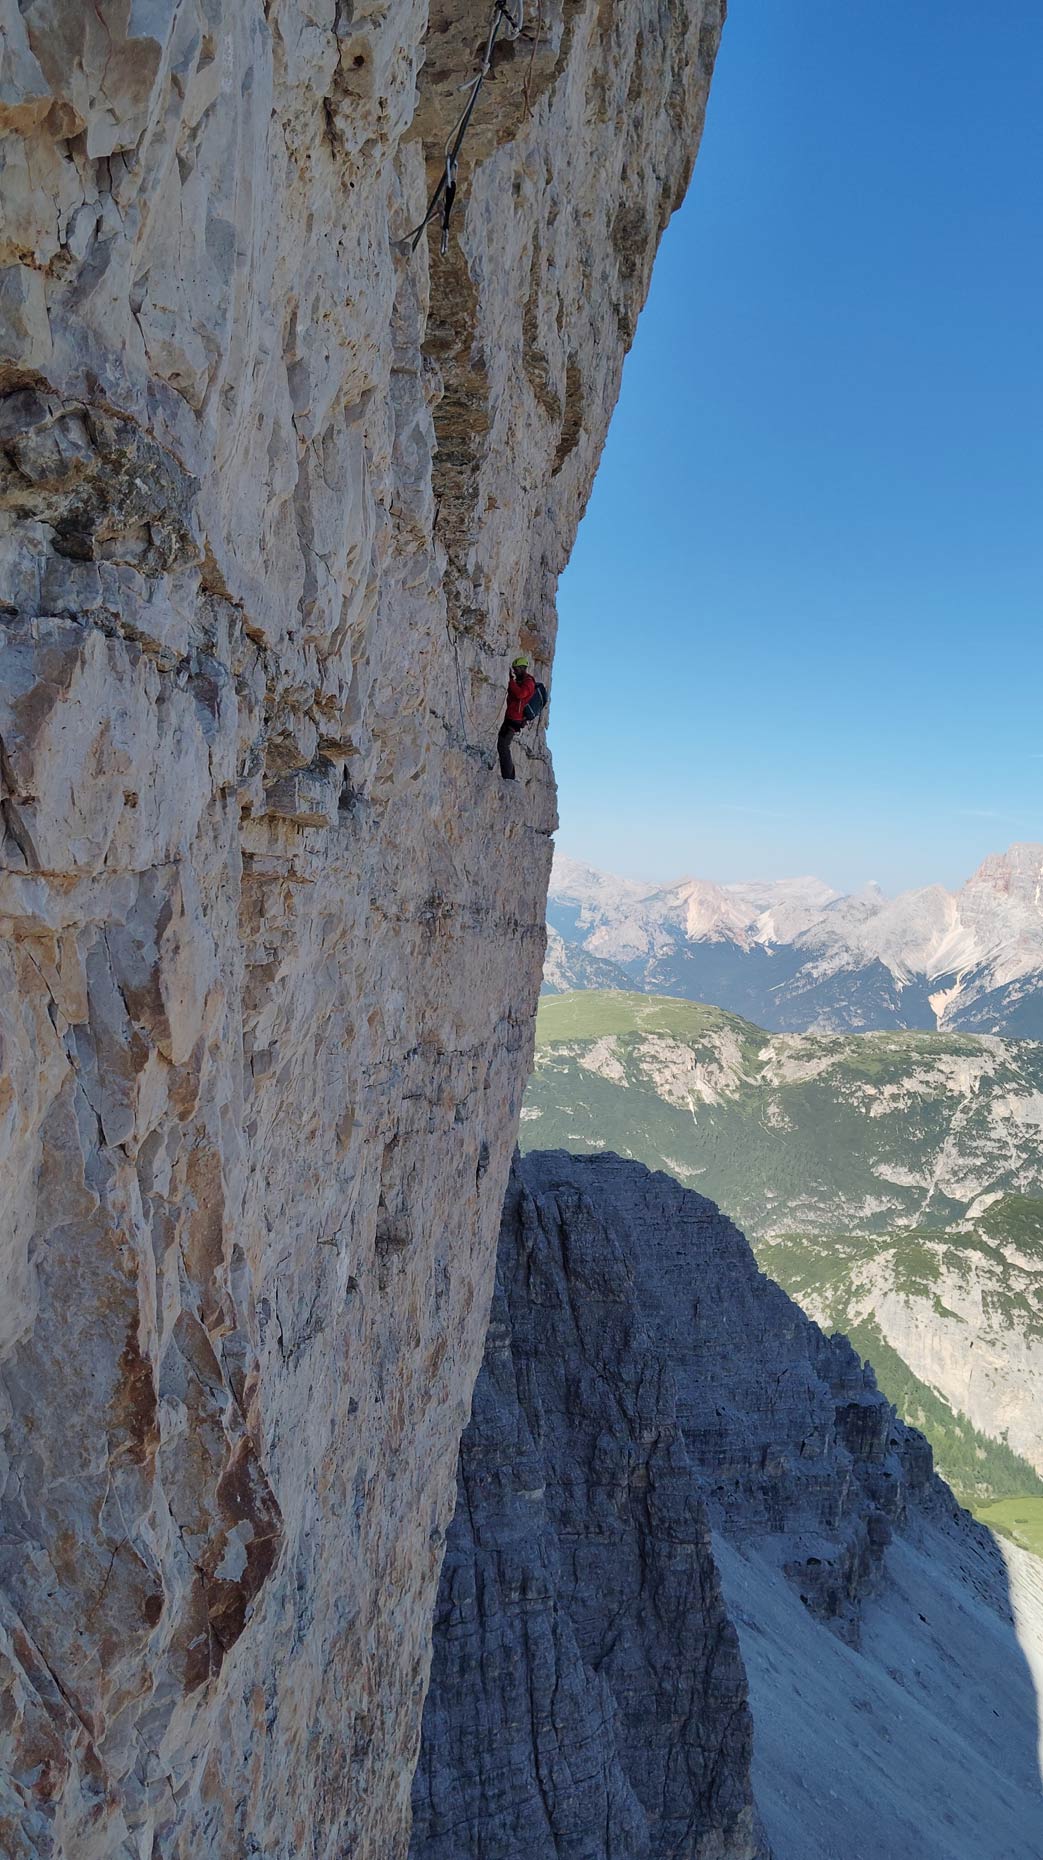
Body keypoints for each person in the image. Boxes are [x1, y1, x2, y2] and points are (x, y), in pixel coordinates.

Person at [497, 654, 537, 780]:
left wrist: (511, 681)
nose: (515, 671)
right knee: (502, 745)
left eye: (516, 669)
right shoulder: (521, 681)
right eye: (514, 669)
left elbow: (520, 694)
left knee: (503, 746)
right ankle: (509, 775)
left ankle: (508, 777)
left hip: (515, 719)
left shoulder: (529, 682)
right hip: (511, 717)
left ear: (523, 668)